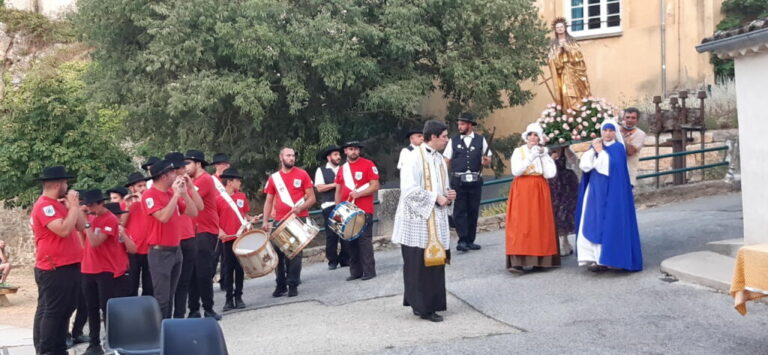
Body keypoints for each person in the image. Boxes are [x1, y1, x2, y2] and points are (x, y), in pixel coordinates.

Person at [392, 120, 455, 322]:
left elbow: (442, 186)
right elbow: (409, 190)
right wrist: (436, 198)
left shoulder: (439, 159)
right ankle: (422, 307)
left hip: (436, 217)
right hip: (417, 219)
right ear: (434, 137)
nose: (447, 139)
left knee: (435, 262)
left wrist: (449, 194)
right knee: (417, 263)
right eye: (444, 136)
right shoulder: (413, 158)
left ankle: (432, 303)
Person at [575, 119, 643, 272]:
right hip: (595, 190)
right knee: (592, 220)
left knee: (610, 222)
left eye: (611, 130)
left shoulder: (618, 148)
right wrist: (593, 150)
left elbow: (609, 168)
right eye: (605, 130)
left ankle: (610, 258)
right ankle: (595, 258)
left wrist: (600, 152)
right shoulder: (596, 147)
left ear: (615, 132)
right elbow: (585, 165)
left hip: (612, 192)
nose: (607, 133)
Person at [31, 166, 84, 354]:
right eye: (65, 182)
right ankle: (46, 350)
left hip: (70, 264)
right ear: (57, 184)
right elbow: (63, 229)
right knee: (52, 311)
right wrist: (74, 207)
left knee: (67, 308)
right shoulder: (44, 205)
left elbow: (80, 226)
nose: (67, 186)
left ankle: (60, 347)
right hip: (54, 267)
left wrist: (73, 207)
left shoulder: (60, 205)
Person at [79, 190, 135, 355]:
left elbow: (96, 241)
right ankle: (94, 342)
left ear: (100, 203)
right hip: (88, 268)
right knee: (91, 308)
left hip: (105, 270)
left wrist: (87, 224)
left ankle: (112, 341)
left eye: (91, 205)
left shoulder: (110, 218)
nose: (88, 208)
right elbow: (84, 240)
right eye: (87, 205)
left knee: (107, 308)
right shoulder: (90, 216)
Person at [142, 159, 199, 318]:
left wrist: (185, 193)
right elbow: (163, 217)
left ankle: (170, 328)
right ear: (164, 176)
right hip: (159, 251)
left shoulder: (169, 193)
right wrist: (175, 195)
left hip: (175, 249)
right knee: (162, 297)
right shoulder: (150, 195)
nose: (177, 174)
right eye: (173, 172)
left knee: (171, 294)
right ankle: (160, 332)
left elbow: (193, 212)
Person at [505, 123, 559, 273]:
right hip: (522, 188)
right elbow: (517, 171)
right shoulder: (519, 151)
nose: (533, 137)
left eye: (536, 135)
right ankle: (518, 261)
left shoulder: (543, 153)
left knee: (539, 223)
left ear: (540, 137)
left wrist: (545, 157)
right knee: (520, 223)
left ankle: (540, 260)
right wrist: (532, 156)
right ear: (526, 137)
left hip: (540, 188)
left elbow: (550, 174)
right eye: (530, 134)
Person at [262, 147, 316, 297]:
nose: (291, 158)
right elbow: (268, 201)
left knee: (295, 253)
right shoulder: (274, 178)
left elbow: (312, 198)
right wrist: (265, 220)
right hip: (280, 219)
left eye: (293, 156)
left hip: (298, 218)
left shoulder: (302, 174)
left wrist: (301, 208)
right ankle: (280, 284)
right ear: (281, 157)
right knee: (277, 253)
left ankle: (293, 284)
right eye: (288, 155)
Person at [443, 112, 492, 252]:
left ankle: (470, 240)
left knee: (473, 210)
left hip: (475, 180)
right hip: (458, 180)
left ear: (470, 125)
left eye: (462, 124)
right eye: (458, 124)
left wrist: (486, 161)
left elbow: (488, 159)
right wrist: (444, 180)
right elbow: (446, 160)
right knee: (459, 210)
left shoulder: (480, 140)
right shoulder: (453, 141)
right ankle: (462, 239)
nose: (459, 126)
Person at [164, 152, 204, 319]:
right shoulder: (164, 187)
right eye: (181, 167)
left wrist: (189, 188)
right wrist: (175, 192)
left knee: (184, 282)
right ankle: (166, 318)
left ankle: (180, 316)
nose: (184, 169)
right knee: (169, 284)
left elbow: (199, 207)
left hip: (188, 236)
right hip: (172, 239)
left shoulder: (186, 183)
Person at [184, 150, 222, 320]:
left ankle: (208, 308)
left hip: (205, 230)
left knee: (203, 272)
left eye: (188, 164)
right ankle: (193, 309)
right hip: (194, 231)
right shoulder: (191, 181)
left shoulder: (205, 179)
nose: (185, 168)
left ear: (198, 163)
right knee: (192, 272)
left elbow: (192, 197)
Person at [335, 141, 380, 281]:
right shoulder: (342, 169)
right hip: (347, 210)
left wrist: (359, 194)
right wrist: (338, 209)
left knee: (364, 240)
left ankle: (369, 271)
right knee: (350, 241)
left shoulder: (368, 164)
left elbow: (375, 186)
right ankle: (355, 271)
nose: (354, 151)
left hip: (364, 209)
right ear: (345, 152)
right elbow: (338, 189)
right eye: (350, 149)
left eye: (356, 149)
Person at [216, 168, 250, 311]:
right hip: (227, 238)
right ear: (230, 182)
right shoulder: (218, 198)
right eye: (237, 180)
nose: (239, 182)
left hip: (241, 236)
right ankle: (229, 298)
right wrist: (220, 231)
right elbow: (214, 218)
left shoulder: (241, 196)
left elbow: (245, 215)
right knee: (228, 268)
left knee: (240, 267)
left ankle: (239, 296)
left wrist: (250, 219)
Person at [314, 145, 349, 270]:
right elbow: (319, 187)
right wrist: (335, 184)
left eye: (339, 154)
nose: (338, 157)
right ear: (329, 157)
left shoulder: (345, 168)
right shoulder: (321, 170)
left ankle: (345, 259)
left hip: (343, 204)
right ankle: (332, 260)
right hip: (329, 205)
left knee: (345, 231)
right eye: (335, 155)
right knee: (332, 234)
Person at [548, 17, 592, 112]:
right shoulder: (554, 45)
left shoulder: (572, 41)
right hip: (563, 73)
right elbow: (551, 60)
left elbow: (579, 56)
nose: (559, 29)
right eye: (557, 27)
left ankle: (579, 110)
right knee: (565, 92)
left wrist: (568, 49)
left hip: (575, 72)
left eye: (561, 27)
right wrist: (559, 52)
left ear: (565, 28)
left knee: (578, 92)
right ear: (555, 30)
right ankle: (568, 112)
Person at [124, 172, 153, 296]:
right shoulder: (126, 204)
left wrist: (142, 201)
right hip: (133, 249)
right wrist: (126, 206)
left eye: (144, 185)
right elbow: (121, 223)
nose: (143, 189)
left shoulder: (149, 201)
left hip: (149, 247)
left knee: (149, 285)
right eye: (139, 186)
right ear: (132, 188)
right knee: (131, 284)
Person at [548, 147, 580, 256]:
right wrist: (551, 158)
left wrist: (568, 151)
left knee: (567, 211)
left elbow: (574, 162)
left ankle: (565, 241)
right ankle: (560, 242)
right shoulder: (545, 151)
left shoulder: (566, 149)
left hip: (567, 182)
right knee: (556, 211)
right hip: (553, 182)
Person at [620, 107, 647, 187]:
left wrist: (622, 136)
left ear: (637, 120)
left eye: (633, 118)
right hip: (614, 173)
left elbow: (630, 152)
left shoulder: (640, 134)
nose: (629, 120)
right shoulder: (615, 131)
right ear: (623, 118)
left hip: (628, 174)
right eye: (627, 117)